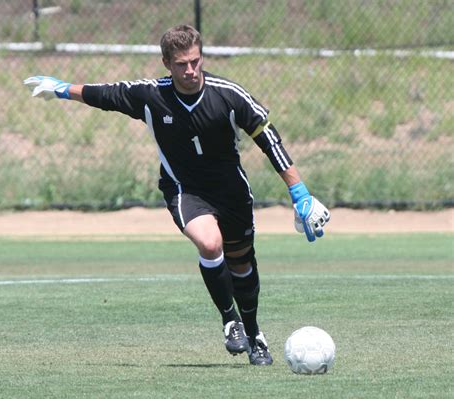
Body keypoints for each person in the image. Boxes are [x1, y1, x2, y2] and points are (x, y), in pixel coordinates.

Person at [24, 24, 330, 366]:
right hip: (185, 190)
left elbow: (268, 138)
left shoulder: (228, 94)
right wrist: (63, 90)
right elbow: (105, 94)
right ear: (167, 63)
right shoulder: (151, 95)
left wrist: (299, 192)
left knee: (241, 263)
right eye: (182, 64)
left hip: (232, 192)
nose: (191, 70)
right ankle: (230, 320)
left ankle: (254, 332)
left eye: (196, 61)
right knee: (210, 244)